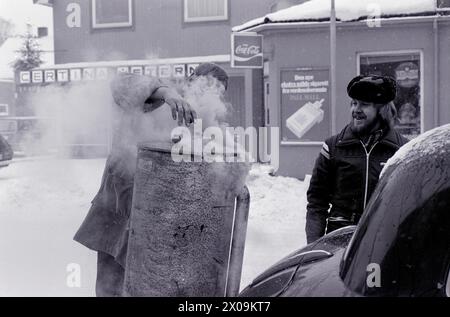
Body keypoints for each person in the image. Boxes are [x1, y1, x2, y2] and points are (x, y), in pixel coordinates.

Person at [73, 63, 229, 296]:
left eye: (218, 93)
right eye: (207, 87)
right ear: (191, 80)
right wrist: (167, 93)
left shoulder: (200, 124)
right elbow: (120, 83)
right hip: (119, 211)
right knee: (112, 289)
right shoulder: (162, 97)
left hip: (157, 226)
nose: (211, 97)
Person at [305, 75, 409, 244]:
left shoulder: (402, 150)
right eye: (354, 103)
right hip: (339, 239)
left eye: (364, 104)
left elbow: (408, 204)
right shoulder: (333, 147)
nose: (356, 110)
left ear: (382, 110)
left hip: (383, 240)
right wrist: (313, 246)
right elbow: (317, 202)